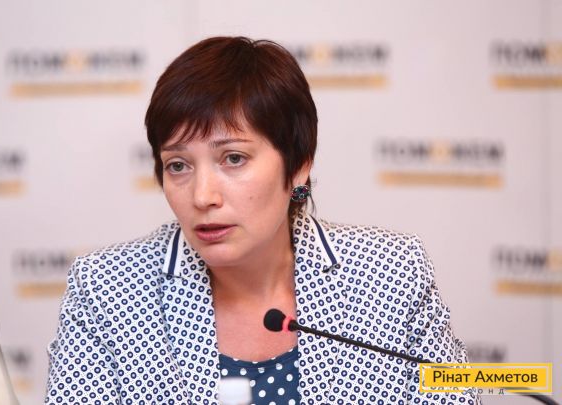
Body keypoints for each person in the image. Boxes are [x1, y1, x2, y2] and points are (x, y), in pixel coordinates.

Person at [45, 36, 480, 404]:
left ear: (298, 165)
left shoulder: (390, 271)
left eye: (233, 158)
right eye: (178, 165)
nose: (202, 196)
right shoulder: (104, 290)